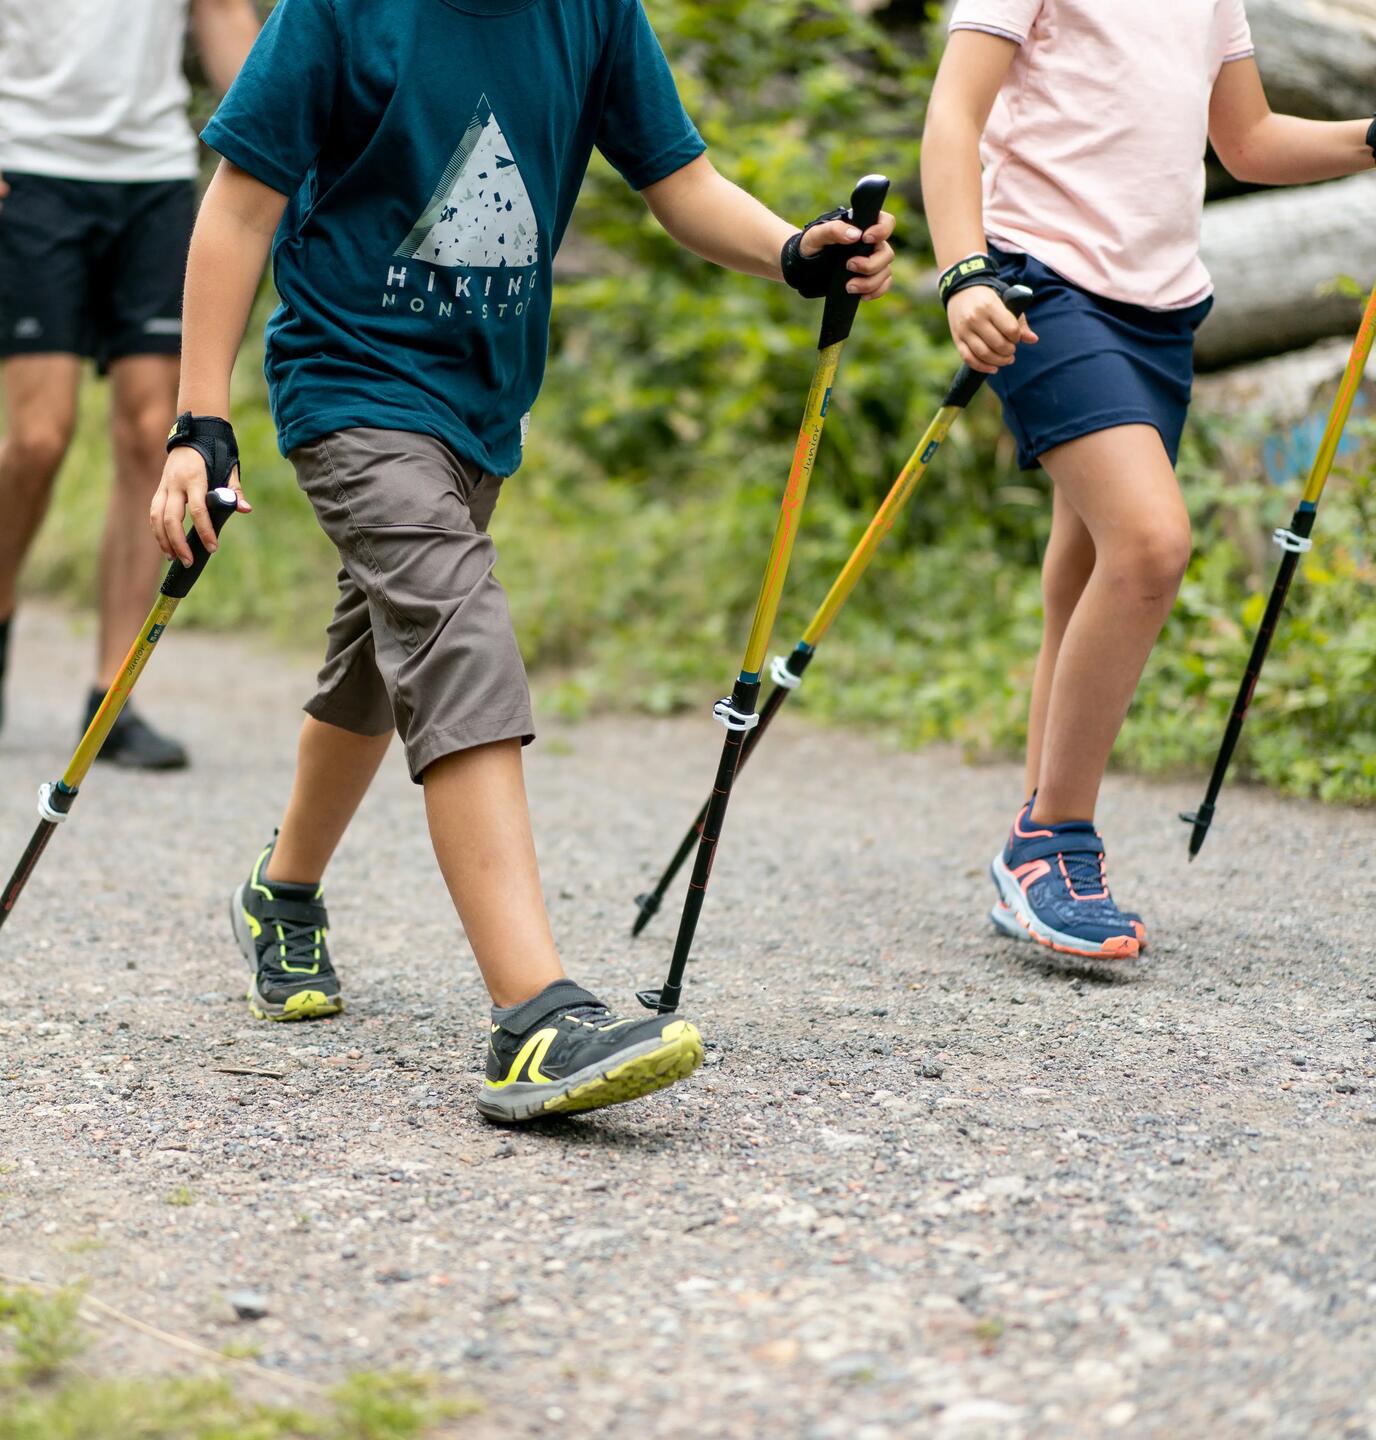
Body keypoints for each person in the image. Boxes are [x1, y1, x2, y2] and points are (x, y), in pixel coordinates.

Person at [151, 0, 895, 1121]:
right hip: (348, 385)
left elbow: (678, 181)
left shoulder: (590, 8)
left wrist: (792, 251)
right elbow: (242, 205)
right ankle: (534, 1017)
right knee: (455, 630)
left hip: (483, 401)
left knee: (381, 649)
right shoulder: (340, 12)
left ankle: (282, 890)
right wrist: (198, 423)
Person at [923, 0, 1374, 962]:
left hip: (1160, 307)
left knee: (1084, 562)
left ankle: (1033, 833)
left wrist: (1369, 138)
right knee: (1151, 543)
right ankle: (1052, 841)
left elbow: (1247, 142)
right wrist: (963, 272)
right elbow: (955, 112)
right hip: (1037, 284)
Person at [0, 0, 261, 767]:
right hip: (27, 171)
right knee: (40, 436)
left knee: (152, 433)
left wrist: (282, 140)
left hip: (155, 176)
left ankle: (112, 697)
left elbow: (224, 16)